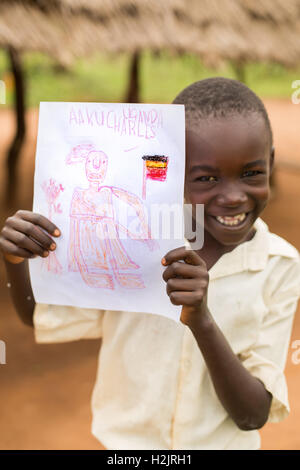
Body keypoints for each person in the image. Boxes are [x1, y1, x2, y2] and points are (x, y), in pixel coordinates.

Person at [1, 77, 300, 450]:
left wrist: (201, 320)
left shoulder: (280, 266)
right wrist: (15, 261)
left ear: (270, 162)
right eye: (206, 178)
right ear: (173, 173)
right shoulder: (130, 246)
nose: (234, 197)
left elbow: (252, 414)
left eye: (252, 173)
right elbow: (36, 315)